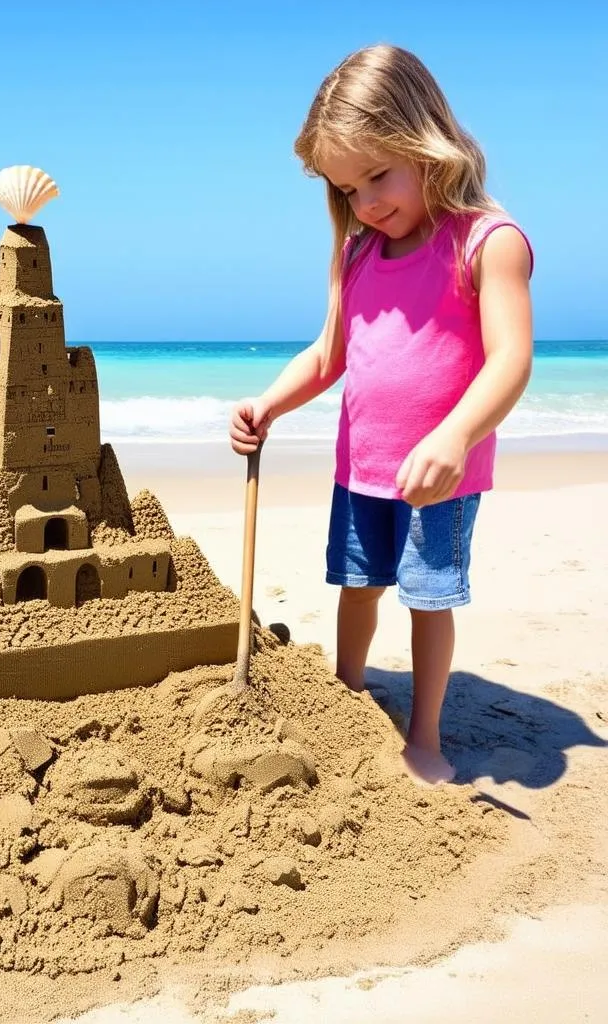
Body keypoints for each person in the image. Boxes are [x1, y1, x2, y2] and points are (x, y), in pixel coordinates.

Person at [229, 44, 533, 785]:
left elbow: (511, 360)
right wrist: (269, 401)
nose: (364, 202)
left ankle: (425, 735)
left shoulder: (488, 243)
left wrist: (456, 435)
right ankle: (349, 694)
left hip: (439, 475)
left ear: (426, 139)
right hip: (361, 467)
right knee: (356, 587)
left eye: (377, 176)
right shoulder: (359, 252)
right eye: (345, 187)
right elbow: (329, 354)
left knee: (429, 600)